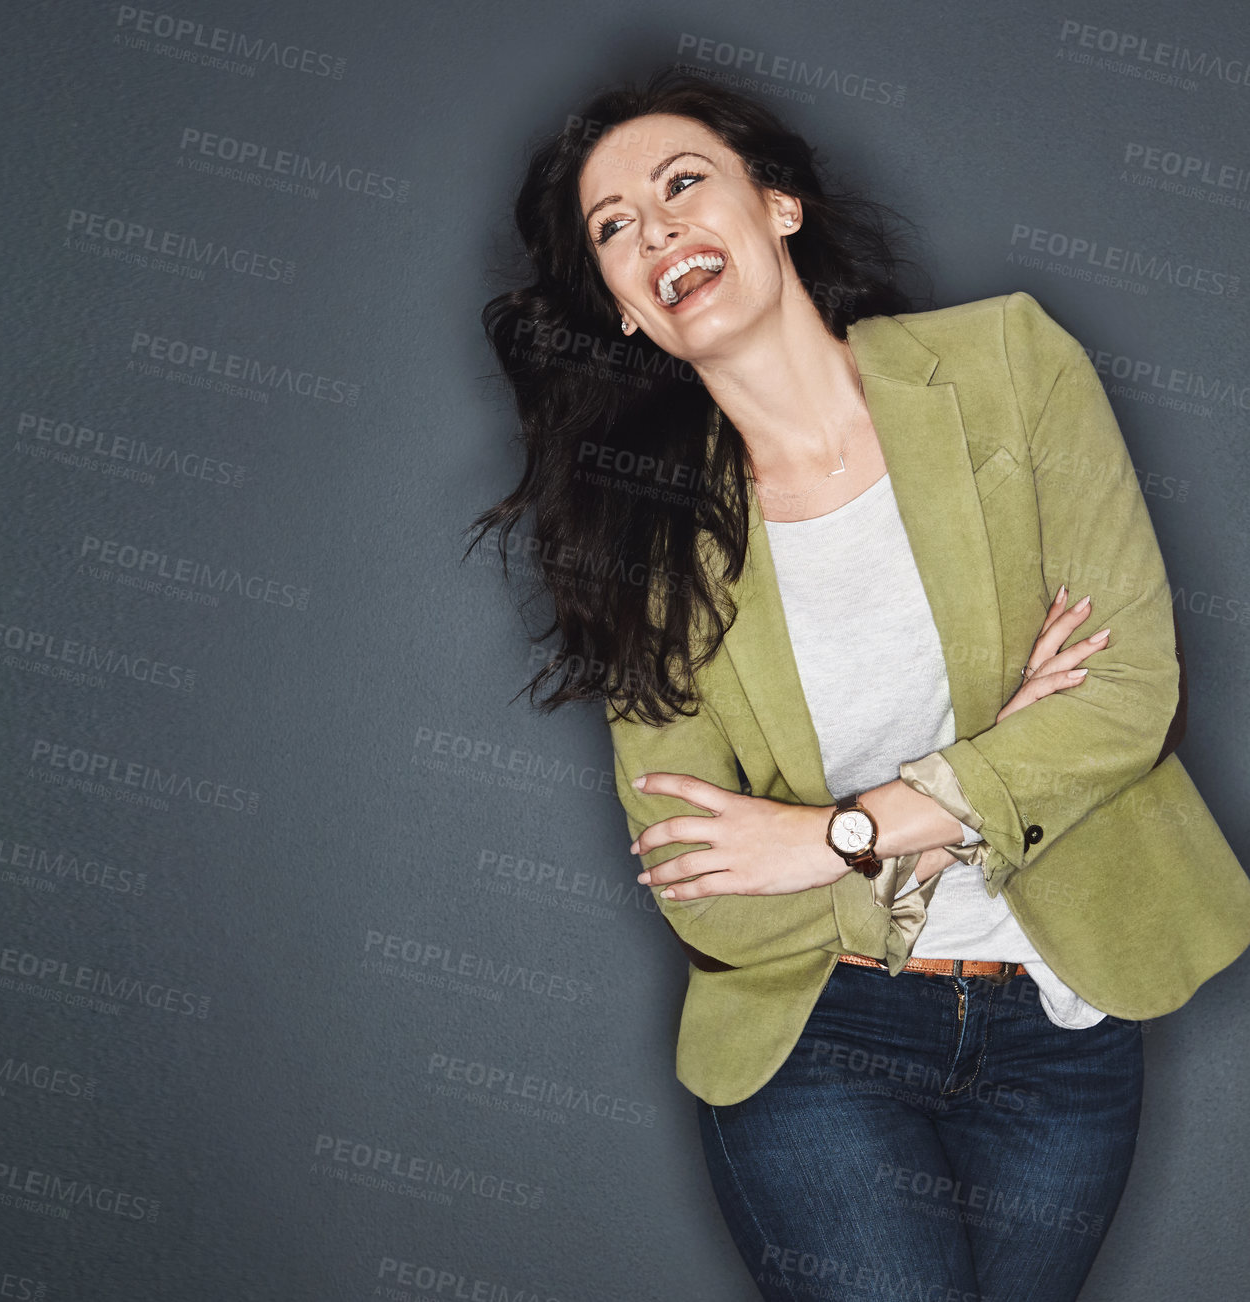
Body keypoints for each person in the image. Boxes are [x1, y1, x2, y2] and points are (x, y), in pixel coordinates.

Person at [470, 67, 1250, 1302]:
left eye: (682, 184)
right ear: (622, 309)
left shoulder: (1006, 364)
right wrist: (991, 773)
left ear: (776, 206)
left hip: (1062, 1028)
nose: (656, 228)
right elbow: (705, 890)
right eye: (612, 228)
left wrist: (833, 835)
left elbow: (1127, 698)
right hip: (815, 1031)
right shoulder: (647, 548)